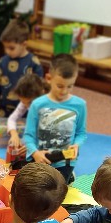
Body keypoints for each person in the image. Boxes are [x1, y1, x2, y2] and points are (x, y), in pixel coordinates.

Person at [23, 53, 87, 184]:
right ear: (48, 78)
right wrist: (35, 153)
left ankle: (69, 175)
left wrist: (76, 145)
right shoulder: (38, 104)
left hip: (65, 159)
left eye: (70, 86)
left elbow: (81, 133)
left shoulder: (80, 105)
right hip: (40, 157)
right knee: (35, 186)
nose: (64, 91)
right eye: (60, 86)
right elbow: (28, 135)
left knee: (55, 189)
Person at [0, 19, 44, 122]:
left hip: (27, 111)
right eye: (5, 47)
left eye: (11, 48)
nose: (7, 51)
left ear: (24, 44)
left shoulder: (34, 63)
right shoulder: (2, 62)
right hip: (4, 111)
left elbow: (40, 89)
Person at [6, 72, 49, 158]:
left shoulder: (49, 105)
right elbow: (12, 119)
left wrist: (33, 146)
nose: (26, 106)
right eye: (23, 102)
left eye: (29, 103)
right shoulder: (26, 101)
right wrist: (14, 134)